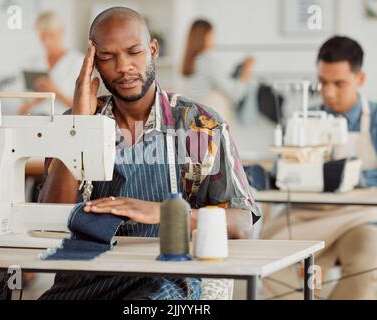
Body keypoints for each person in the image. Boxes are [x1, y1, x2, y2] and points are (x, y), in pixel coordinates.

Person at [38, 7, 260, 300]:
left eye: (134, 52)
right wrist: (79, 126)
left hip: (166, 277)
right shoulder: (74, 124)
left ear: (152, 49)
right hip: (86, 277)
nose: (123, 66)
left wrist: (163, 214)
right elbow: (49, 218)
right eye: (108, 57)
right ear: (93, 64)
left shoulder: (200, 125)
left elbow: (242, 224)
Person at [261, 36, 377, 300]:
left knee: (369, 259)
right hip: (307, 218)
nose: (328, 92)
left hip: (361, 219)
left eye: (338, 83)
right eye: (323, 82)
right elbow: (282, 171)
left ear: (360, 79)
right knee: (272, 263)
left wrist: (350, 177)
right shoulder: (304, 121)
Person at [181, 19, 255, 121]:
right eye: (212, 35)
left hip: (192, 124)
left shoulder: (191, 61)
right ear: (205, 37)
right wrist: (246, 71)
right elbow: (234, 93)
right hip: (208, 126)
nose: (214, 39)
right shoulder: (207, 61)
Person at [18, 11, 83, 115]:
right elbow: (22, 110)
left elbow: (84, 108)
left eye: (51, 36)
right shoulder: (33, 64)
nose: (47, 42)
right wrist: (37, 99)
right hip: (35, 120)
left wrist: (55, 92)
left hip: (63, 121)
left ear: (62, 33)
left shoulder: (77, 62)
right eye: (43, 36)